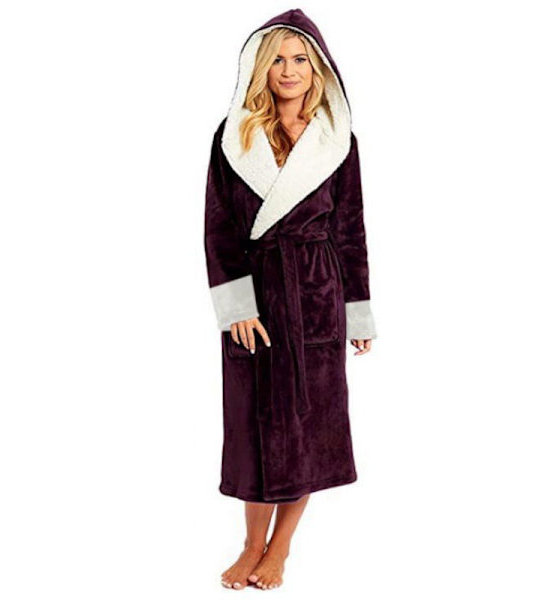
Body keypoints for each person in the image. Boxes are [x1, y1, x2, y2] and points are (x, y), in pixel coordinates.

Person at [203, 8, 378, 590]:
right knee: (252, 426)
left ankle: (280, 548)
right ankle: (250, 544)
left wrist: (357, 311)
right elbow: (218, 227)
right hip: (256, 295)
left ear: (318, 67)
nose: (288, 69)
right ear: (260, 67)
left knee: (307, 427)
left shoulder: (336, 141)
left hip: (317, 293)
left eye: (300, 58)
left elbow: (351, 230)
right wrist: (237, 307)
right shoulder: (233, 136)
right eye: (276, 58)